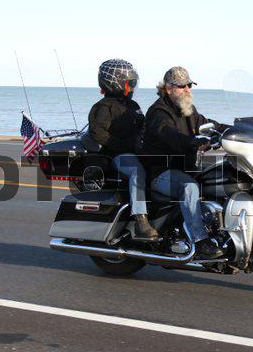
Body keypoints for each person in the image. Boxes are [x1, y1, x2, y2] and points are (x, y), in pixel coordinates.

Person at [141, 66, 227, 259]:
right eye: (182, 86)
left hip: (186, 168)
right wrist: (193, 141)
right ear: (168, 88)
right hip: (160, 173)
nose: (187, 89)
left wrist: (237, 129)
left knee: (222, 175)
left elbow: (208, 124)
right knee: (189, 188)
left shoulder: (188, 110)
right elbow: (169, 134)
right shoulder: (158, 112)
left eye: (189, 85)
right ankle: (200, 241)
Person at [88, 59, 158, 240]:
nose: (133, 87)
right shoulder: (103, 107)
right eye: (130, 83)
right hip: (117, 156)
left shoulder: (133, 106)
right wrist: (124, 145)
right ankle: (140, 219)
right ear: (115, 83)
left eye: (133, 83)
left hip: (136, 152)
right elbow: (98, 133)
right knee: (137, 170)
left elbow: (145, 128)